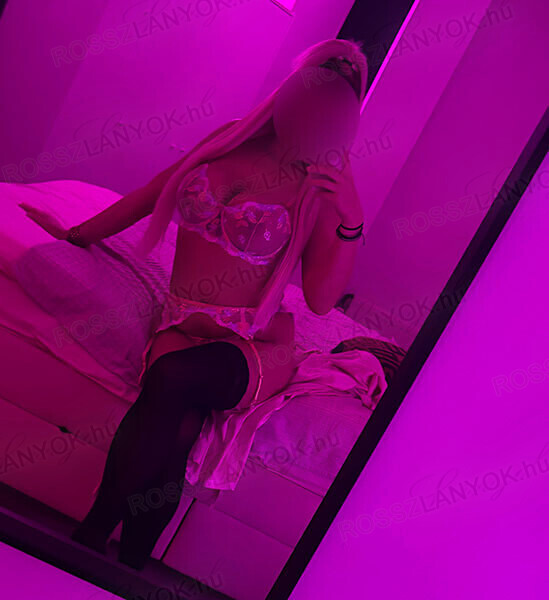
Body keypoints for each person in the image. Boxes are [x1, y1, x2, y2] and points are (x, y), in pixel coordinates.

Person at [19, 38, 368, 570]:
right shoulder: (228, 139)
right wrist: (77, 233)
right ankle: (129, 565)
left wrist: (351, 218)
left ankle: (87, 540)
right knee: (174, 427)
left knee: (171, 380)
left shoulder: (319, 192)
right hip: (181, 322)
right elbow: (154, 192)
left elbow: (320, 300)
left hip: (254, 344)